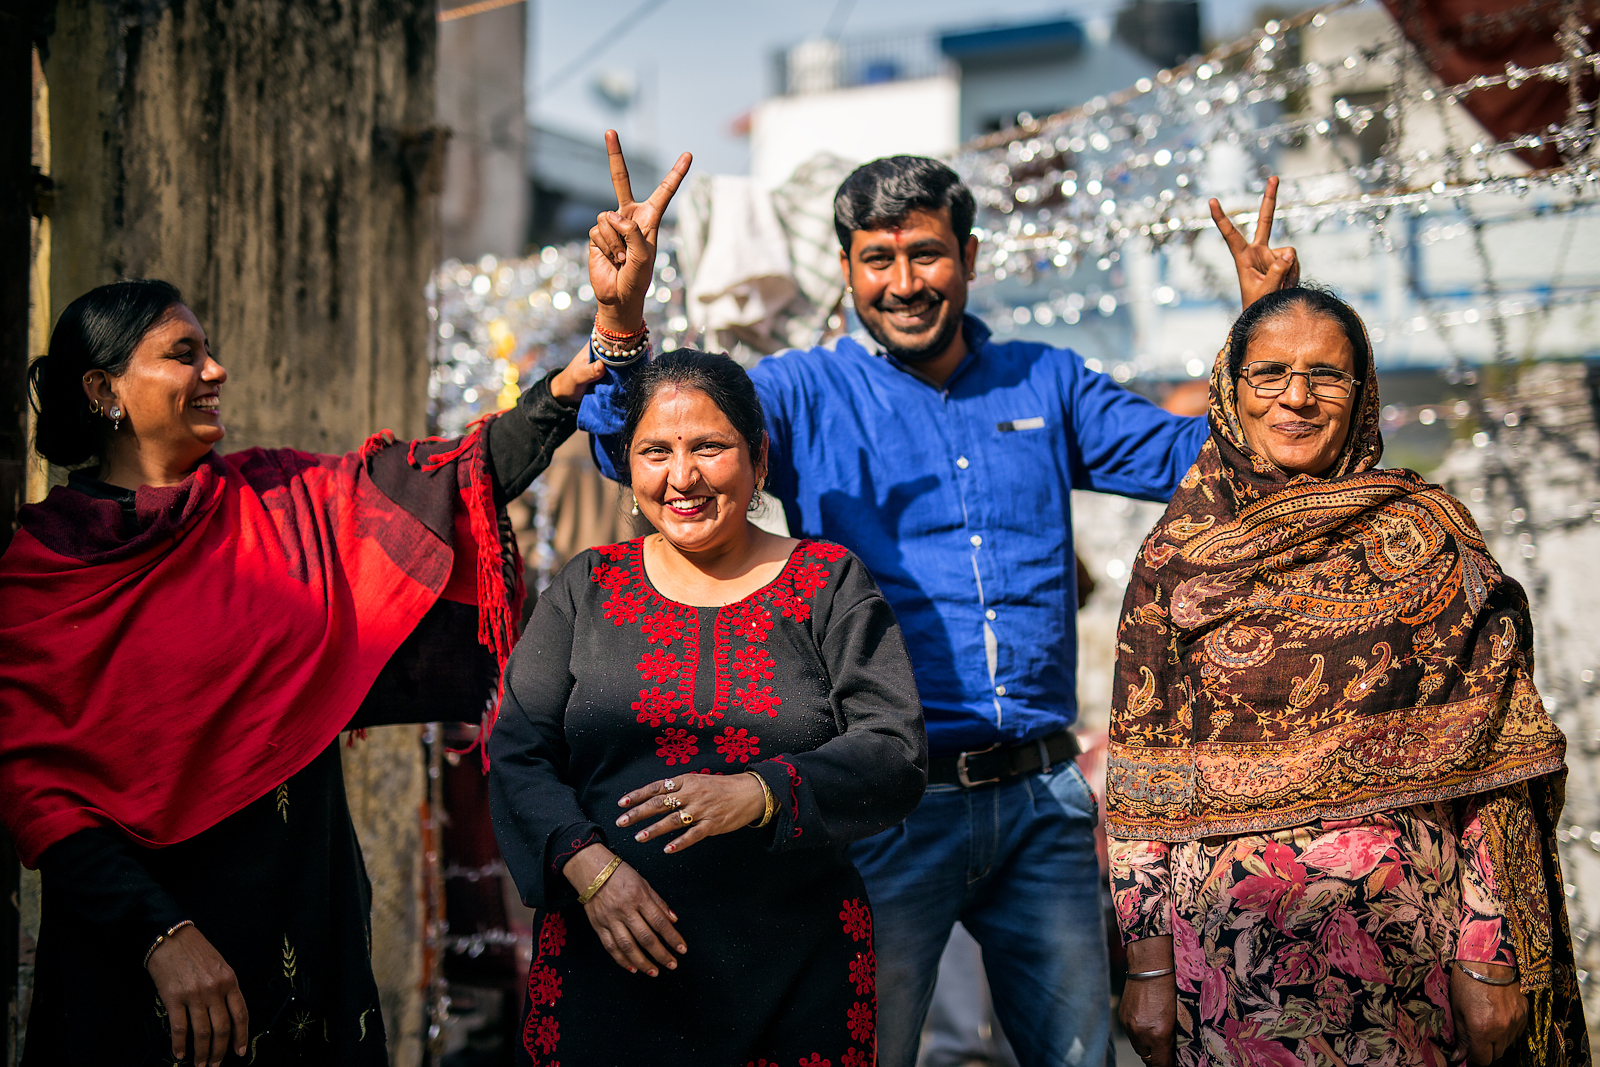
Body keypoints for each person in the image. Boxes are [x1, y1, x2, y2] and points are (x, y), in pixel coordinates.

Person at [579, 135, 1299, 1067]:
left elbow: (1201, 463)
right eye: (878, 259)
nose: (905, 281)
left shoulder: (1047, 382)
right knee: (862, 1051)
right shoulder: (801, 392)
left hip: (1041, 799)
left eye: (927, 254)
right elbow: (641, 447)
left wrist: (1270, 328)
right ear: (846, 269)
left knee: (1082, 1055)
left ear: (969, 258)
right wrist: (621, 319)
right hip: (883, 807)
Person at [0, 233, 657, 1063]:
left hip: (301, 919)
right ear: (105, 390)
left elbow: (453, 477)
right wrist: (160, 933)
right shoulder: (52, 567)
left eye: (210, 351)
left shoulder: (276, 499)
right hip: (140, 954)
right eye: (183, 354)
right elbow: (36, 787)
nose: (215, 371)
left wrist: (599, 343)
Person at [1107, 285, 1589, 1067]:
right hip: (1232, 969)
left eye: (1326, 374)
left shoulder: (1429, 535)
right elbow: (1140, 782)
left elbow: (1499, 765)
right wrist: (1149, 965)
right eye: (1269, 373)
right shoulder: (1176, 556)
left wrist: (1489, 946)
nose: (1296, 397)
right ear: (1231, 391)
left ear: (1362, 394)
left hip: (1412, 958)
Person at [487, 339, 926, 1062]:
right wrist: (590, 869)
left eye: (710, 447)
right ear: (627, 468)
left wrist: (758, 791)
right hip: (608, 974)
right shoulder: (585, 586)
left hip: (794, 974)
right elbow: (518, 749)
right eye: (655, 450)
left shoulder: (827, 583)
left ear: (757, 458)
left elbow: (894, 749)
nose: (682, 476)